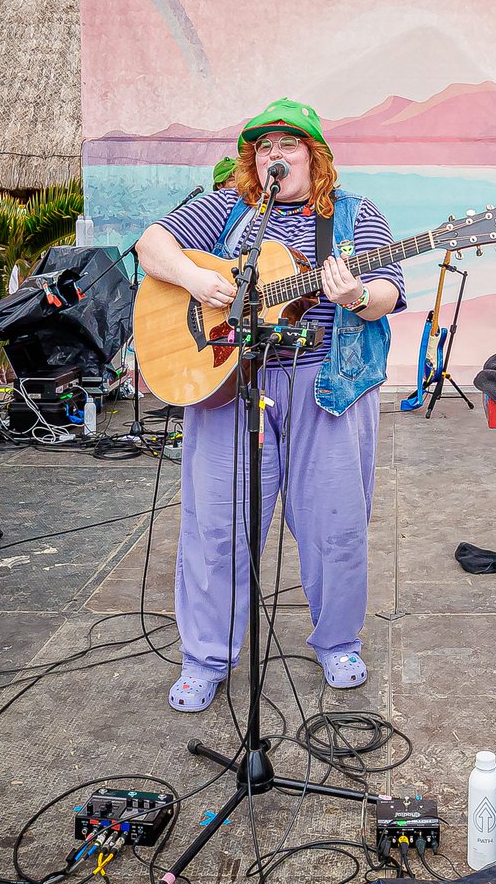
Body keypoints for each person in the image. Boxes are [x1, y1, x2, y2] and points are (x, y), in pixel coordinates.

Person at [136, 98, 406, 711]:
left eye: (288, 144)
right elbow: (151, 245)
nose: (273, 155)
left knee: (334, 523)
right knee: (217, 526)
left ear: (316, 157)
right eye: (263, 147)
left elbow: (388, 292)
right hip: (231, 385)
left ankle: (337, 640)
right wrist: (195, 280)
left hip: (325, 385)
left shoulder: (355, 215)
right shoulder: (229, 211)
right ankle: (207, 656)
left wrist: (358, 292)